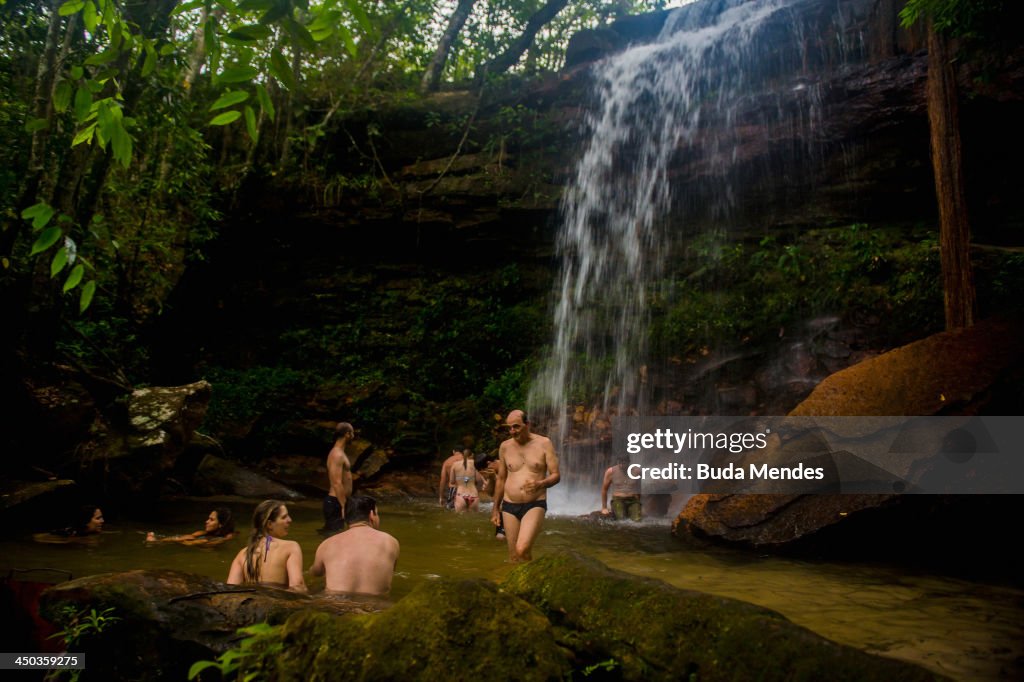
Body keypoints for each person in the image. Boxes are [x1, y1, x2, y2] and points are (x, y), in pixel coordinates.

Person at [490, 410, 560, 562]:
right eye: (509, 428)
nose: (512, 431)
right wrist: (496, 508)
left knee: (522, 549)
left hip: (534, 504)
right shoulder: (505, 447)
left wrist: (540, 483)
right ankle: (523, 584)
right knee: (514, 556)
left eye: (516, 426)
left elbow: (556, 475)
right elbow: (501, 479)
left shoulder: (544, 443)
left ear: (527, 424)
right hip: (509, 505)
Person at [310, 495, 400, 596]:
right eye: (377, 514)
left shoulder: (327, 544)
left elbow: (315, 573)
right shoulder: (390, 542)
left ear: (344, 515)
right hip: (374, 607)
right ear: (371, 515)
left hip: (335, 603)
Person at [227, 500, 306, 592]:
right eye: (284, 517)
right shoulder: (291, 547)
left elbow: (230, 590)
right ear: (269, 524)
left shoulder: (242, 554)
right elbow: (298, 587)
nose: (290, 520)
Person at [324, 422, 355, 534]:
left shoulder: (339, 453)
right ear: (347, 434)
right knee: (334, 537)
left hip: (338, 501)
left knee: (336, 535)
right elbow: (336, 483)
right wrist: (343, 506)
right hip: (336, 502)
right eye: (353, 433)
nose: (353, 436)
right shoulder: (337, 454)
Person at [145, 507, 236, 545]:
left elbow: (211, 543)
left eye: (211, 520)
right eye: (208, 518)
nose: (206, 521)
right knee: (190, 536)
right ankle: (158, 540)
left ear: (221, 524)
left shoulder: (228, 536)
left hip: (210, 543)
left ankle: (157, 541)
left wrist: (194, 542)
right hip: (208, 538)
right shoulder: (206, 532)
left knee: (197, 540)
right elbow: (191, 536)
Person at [33, 505, 105, 543]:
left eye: (101, 518)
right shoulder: (70, 533)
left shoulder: (92, 532)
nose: (102, 521)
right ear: (86, 521)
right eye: (98, 518)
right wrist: (74, 541)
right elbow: (37, 537)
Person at [475, 451, 505, 540]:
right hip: (503, 509)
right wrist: (492, 479)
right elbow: (491, 493)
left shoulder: (507, 466)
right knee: (500, 537)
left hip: (516, 506)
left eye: (482, 471)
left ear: (488, 463)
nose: (483, 474)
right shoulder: (492, 471)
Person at [601, 457, 642, 521]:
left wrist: (638, 502)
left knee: (637, 520)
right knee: (621, 520)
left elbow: (639, 488)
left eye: (624, 463)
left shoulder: (637, 471)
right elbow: (604, 490)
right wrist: (604, 508)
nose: (621, 465)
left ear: (629, 462)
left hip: (633, 500)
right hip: (618, 499)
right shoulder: (610, 471)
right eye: (619, 463)